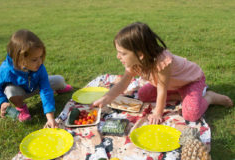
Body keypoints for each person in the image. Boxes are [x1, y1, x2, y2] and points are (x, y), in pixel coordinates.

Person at [93, 22, 233, 124]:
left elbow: (161, 90)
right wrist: (107, 98)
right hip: (172, 85)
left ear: (140, 54)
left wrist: (158, 112)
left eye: (122, 53)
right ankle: (182, 96)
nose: (118, 57)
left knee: (191, 114)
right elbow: (124, 83)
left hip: (192, 81)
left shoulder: (163, 62)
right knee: (143, 94)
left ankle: (209, 97)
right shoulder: (134, 63)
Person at [0, 29, 72, 127]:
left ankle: (58, 89)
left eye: (41, 57)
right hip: (21, 92)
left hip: (36, 87)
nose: (40, 62)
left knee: (60, 80)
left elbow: (45, 89)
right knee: (10, 90)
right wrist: (2, 102)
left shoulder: (39, 67)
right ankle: (21, 107)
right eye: (34, 59)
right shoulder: (6, 70)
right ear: (19, 59)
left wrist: (50, 117)